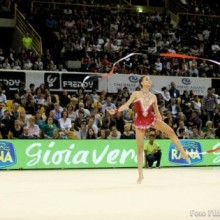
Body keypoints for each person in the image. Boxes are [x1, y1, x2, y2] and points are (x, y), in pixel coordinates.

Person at [108, 75, 190, 184]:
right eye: (146, 79)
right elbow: (126, 105)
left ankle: (183, 153)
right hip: (140, 121)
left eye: (150, 79)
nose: (149, 81)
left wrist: (162, 127)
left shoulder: (153, 96)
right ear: (141, 83)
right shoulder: (136, 94)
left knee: (170, 131)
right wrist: (117, 110)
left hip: (151, 118)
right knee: (140, 148)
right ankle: (140, 175)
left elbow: (157, 112)